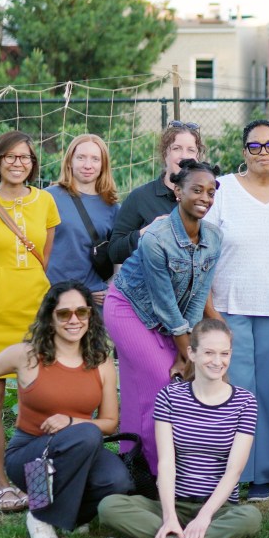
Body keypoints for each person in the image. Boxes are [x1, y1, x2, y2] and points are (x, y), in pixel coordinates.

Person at [0, 281, 132, 538]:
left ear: (90, 315)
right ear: (50, 317)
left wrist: (71, 422)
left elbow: (109, 423)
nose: (74, 320)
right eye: (64, 314)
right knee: (88, 434)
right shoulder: (26, 354)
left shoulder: (101, 359)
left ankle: (70, 515)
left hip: (81, 449)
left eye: (81, 312)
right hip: (29, 455)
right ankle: (40, 515)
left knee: (118, 481)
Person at [97, 319, 261, 538]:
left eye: (224, 353)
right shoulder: (170, 396)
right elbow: (166, 463)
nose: (218, 361)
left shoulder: (245, 402)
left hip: (219, 509)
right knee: (109, 506)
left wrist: (204, 517)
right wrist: (170, 516)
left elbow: (233, 472)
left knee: (251, 517)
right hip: (175, 502)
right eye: (209, 353)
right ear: (191, 353)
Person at [203, 119, 269, 502]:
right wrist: (210, 309)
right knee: (234, 391)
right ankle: (232, 472)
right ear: (244, 151)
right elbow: (206, 252)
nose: (264, 152)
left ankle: (266, 474)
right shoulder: (222, 190)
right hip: (228, 307)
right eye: (255, 146)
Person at [0, 130, 60, 512]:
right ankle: (3, 484)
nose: (18, 163)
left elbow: (44, 258)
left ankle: (35, 484)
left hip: (33, 315)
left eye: (25, 157)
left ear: (33, 164)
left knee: (34, 402)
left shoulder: (46, 202)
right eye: (11, 157)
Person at [103, 159, 223, 474]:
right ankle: (162, 475)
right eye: (196, 190)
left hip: (171, 320)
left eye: (211, 192)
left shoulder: (214, 238)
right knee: (163, 383)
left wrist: (188, 353)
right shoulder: (156, 237)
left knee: (139, 391)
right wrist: (189, 356)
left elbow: (198, 295)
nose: (205, 198)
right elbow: (165, 305)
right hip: (128, 309)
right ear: (178, 191)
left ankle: (131, 466)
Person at [108, 121, 204, 265]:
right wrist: (146, 232)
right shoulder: (140, 197)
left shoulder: (206, 199)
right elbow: (114, 252)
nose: (184, 156)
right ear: (165, 153)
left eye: (191, 150)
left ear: (197, 157)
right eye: (176, 148)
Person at [46, 134, 120, 306]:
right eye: (81, 158)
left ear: (103, 165)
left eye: (95, 159)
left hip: (93, 303)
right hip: (54, 299)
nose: (88, 165)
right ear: (70, 161)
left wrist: (111, 288)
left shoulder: (112, 207)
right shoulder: (48, 197)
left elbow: (119, 257)